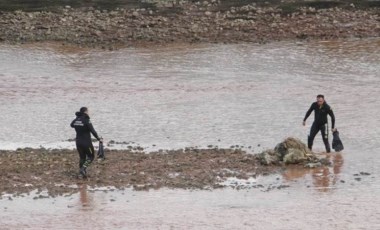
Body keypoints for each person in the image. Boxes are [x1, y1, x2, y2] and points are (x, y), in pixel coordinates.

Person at [71, 107, 102, 177]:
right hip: (86, 143)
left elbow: (72, 125)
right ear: (85, 112)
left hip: (78, 142)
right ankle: (83, 169)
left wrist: (78, 118)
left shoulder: (76, 119)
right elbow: (93, 131)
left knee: (82, 157)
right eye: (88, 111)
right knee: (91, 156)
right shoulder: (86, 120)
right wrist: (98, 138)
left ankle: (81, 173)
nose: (89, 112)